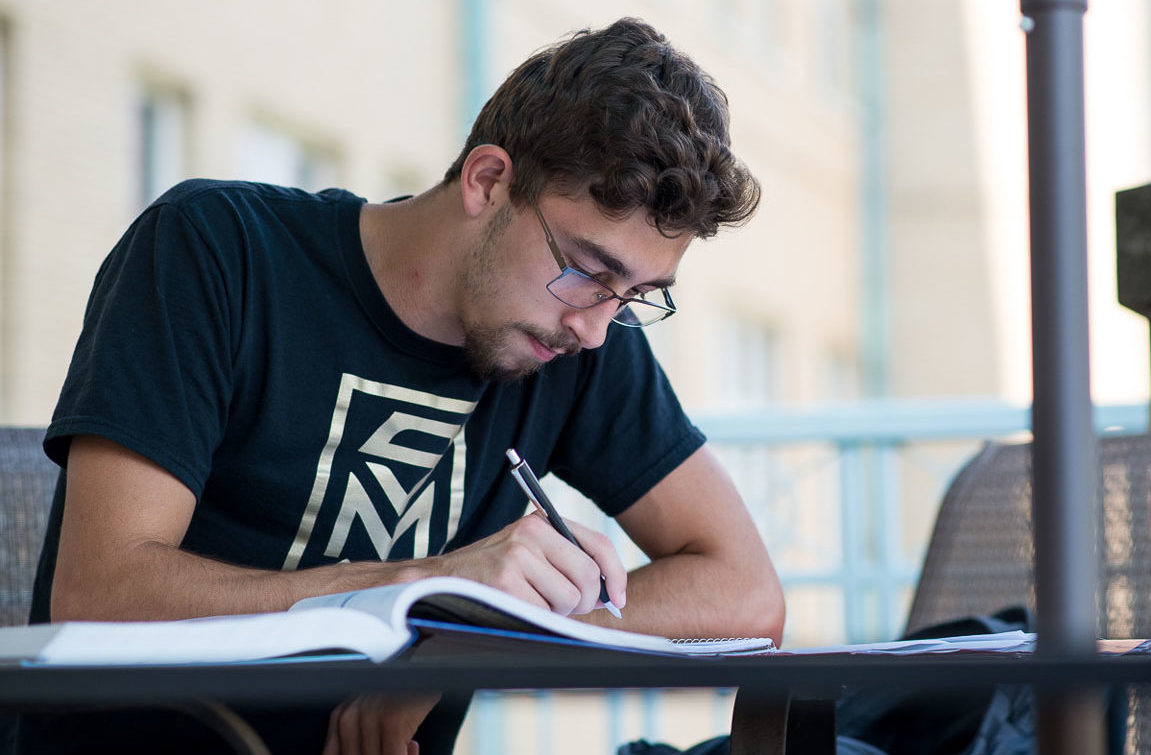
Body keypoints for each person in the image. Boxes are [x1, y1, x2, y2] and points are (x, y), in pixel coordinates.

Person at [14, 17, 783, 755]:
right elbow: (102, 593)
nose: (595, 326)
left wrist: (477, 637)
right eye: (587, 269)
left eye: (638, 294)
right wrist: (428, 589)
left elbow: (747, 594)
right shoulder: (217, 251)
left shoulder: (581, 336)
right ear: (488, 180)